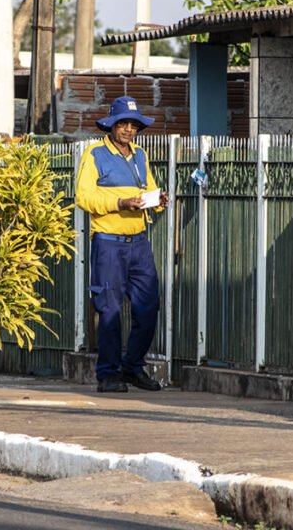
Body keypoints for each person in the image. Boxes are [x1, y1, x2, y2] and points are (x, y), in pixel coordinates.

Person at [75, 96, 169, 393]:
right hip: (108, 243)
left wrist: (158, 202)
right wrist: (120, 202)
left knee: (148, 307)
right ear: (111, 125)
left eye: (133, 125)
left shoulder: (141, 154)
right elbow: (83, 198)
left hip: (139, 242)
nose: (128, 129)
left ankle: (132, 367)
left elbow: (149, 189)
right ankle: (108, 374)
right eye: (123, 124)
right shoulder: (94, 154)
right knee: (110, 309)